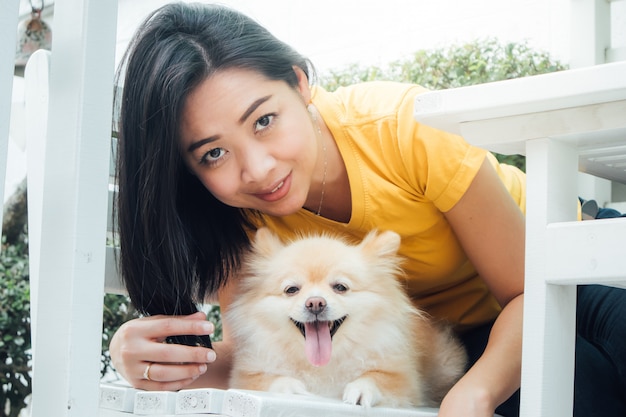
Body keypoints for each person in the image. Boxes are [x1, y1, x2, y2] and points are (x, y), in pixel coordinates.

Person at [108, 3, 626, 417]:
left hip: (571, 271)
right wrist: (156, 363)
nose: (259, 168)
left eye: (264, 119)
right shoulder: (239, 226)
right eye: (214, 153)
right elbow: (266, 360)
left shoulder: (401, 126)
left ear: (299, 83)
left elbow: (527, 291)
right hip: (465, 339)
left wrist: (472, 397)